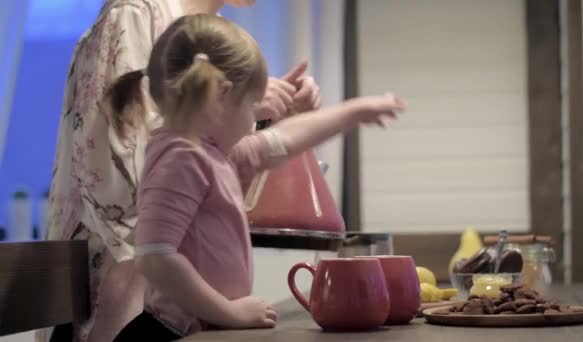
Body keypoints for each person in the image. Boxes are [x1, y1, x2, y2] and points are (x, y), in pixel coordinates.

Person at [107, 13, 405, 341]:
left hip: (202, 331)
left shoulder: (216, 154)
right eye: (251, 105)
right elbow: (155, 258)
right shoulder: (182, 156)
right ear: (220, 97)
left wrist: (353, 112)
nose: (256, 117)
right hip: (172, 334)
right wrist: (228, 311)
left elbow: (285, 139)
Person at [42, 0, 320, 341]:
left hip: (186, 310)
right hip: (124, 299)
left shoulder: (212, 35)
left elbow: (214, 178)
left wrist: (265, 117)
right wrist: (230, 109)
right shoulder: (132, 15)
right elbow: (117, 170)